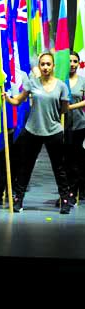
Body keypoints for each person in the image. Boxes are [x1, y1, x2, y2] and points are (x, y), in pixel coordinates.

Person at [4, 52, 70, 214]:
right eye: (43, 64)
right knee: (25, 167)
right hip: (33, 130)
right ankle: (18, 199)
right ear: (39, 66)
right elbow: (17, 100)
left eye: (48, 64)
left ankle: (65, 200)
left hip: (53, 131)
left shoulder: (61, 86)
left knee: (59, 168)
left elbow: (64, 109)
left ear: (53, 66)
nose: (46, 67)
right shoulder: (32, 83)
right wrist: (7, 97)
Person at [65, 51, 85, 205]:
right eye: (69, 61)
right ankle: (68, 190)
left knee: (78, 159)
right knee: (67, 159)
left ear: (78, 64)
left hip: (79, 124)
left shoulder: (83, 81)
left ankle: (79, 190)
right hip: (63, 125)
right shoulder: (61, 81)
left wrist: (70, 107)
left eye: (75, 61)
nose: (72, 64)